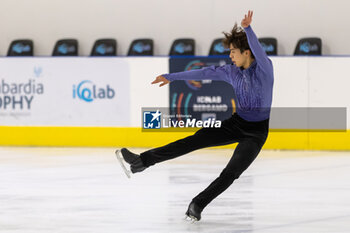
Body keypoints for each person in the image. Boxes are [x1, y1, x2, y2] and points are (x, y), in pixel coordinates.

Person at [116, 10, 274, 222]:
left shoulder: (265, 69)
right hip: (235, 123)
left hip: (256, 133)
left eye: (234, 52)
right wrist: (171, 77)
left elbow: (259, 52)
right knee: (192, 141)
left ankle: (197, 204)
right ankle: (142, 161)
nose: (230, 56)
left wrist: (248, 29)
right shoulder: (231, 72)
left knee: (231, 172)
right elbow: (204, 73)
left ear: (247, 52)